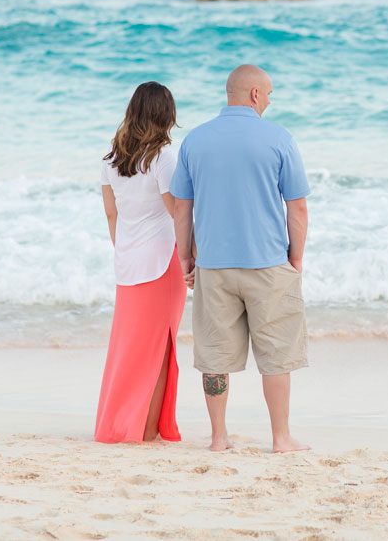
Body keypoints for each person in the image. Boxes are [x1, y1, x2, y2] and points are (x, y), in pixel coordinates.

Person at [170, 64, 310, 453]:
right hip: (268, 264)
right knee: (276, 354)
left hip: (214, 266)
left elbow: (183, 207)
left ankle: (219, 438)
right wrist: (295, 259)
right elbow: (296, 208)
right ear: (253, 94)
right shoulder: (279, 138)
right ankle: (281, 438)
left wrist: (187, 256)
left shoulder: (194, 141)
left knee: (215, 356)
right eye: (267, 94)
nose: (268, 101)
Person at [95, 82, 187, 444]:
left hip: (129, 261)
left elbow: (110, 213)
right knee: (160, 347)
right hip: (164, 261)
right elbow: (177, 210)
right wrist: (194, 253)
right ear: (166, 115)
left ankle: (121, 423)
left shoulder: (111, 157)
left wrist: (125, 248)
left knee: (130, 347)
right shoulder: (163, 156)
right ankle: (147, 430)